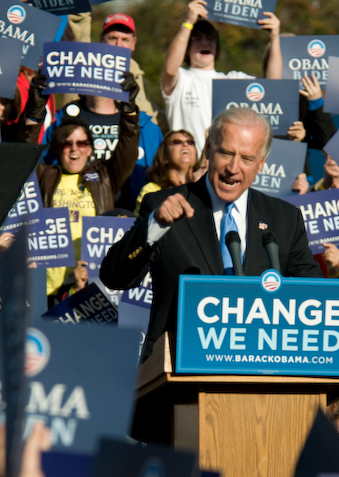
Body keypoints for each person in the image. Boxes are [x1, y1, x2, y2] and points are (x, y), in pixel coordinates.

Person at [101, 108, 322, 358]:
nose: (233, 168)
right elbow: (115, 277)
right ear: (208, 150)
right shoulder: (164, 207)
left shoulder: (284, 219)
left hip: (260, 373)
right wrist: (155, 226)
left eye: (247, 159)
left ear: (261, 163)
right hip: (177, 372)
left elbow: (316, 297)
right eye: (226, 153)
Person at [37, 115, 138, 305]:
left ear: (90, 148)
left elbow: (127, 150)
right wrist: (36, 107)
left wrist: (130, 112)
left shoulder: (103, 177)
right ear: (59, 148)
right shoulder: (44, 175)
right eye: (68, 143)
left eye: (81, 143)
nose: (75, 148)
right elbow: (25, 147)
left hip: (89, 279)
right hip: (49, 284)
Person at [161, 0, 282, 155]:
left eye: (210, 38)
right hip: (187, 169)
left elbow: (273, 87)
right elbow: (170, 69)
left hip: (222, 170)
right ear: (187, 47)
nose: (204, 42)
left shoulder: (232, 80)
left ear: (217, 48)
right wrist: (188, 23)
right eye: (197, 39)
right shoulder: (181, 80)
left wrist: (275, 38)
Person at [134, 129, 198, 215]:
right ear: (164, 156)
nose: (185, 144)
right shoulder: (151, 191)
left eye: (190, 142)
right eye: (177, 142)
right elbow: (141, 225)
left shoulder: (203, 187)